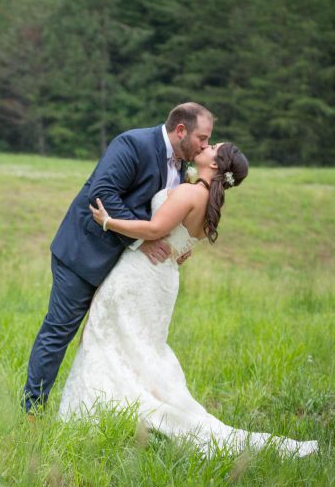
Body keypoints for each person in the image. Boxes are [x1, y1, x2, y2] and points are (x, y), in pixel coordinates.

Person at [57, 142, 318, 457]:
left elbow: (155, 228)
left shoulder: (190, 193)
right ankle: (119, 409)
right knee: (139, 347)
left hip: (140, 275)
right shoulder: (209, 202)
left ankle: (99, 412)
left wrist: (108, 222)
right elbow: (183, 249)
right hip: (163, 280)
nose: (206, 146)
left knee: (109, 340)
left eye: (213, 147)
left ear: (215, 165)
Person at [23, 102, 214, 413]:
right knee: (60, 330)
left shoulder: (181, 165)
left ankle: (108, 409)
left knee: (110, 340)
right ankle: (32, 410)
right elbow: (102, 194)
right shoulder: (133, 144)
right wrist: (144, 238)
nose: (205, 145)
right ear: (181, 130)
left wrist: (177, 243)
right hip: (85, 254)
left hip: (126, 270)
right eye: (202, 138)